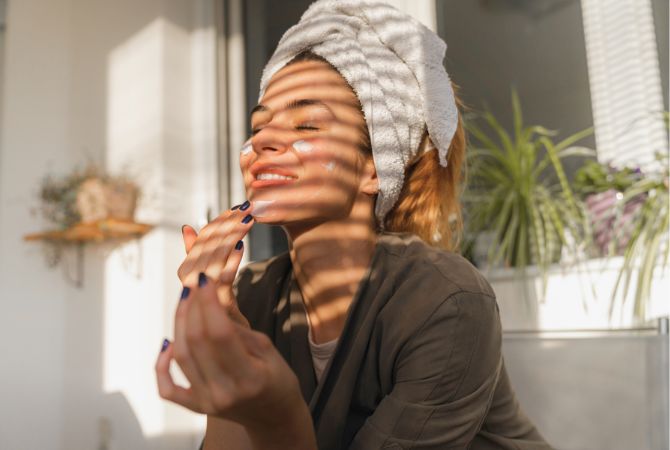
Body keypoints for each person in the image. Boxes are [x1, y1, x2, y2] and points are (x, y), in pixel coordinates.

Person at [155, 1, 554, 449]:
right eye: (259, 126)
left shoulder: (446, 301)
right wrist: (227, 331)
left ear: (376, 169)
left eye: (306, 124)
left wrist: (280, 416)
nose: (262, 139)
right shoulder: (252, 294)